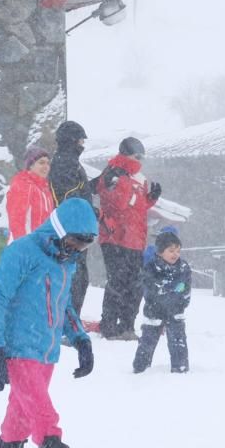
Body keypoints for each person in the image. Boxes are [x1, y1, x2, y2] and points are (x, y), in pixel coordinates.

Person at [0, 198, 106, 448]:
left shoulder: (66, 263)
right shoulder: (22, 253)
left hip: (47, 355)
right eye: (74, 241)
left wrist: (80, 338)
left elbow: (62, 306)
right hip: (19, 352)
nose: (77, 249)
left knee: (17, 424)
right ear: (58, 230)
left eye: (84, 244)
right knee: (46, 422)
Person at [96, 136, 161, 340]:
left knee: (135, 285)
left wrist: (150, 199)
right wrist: (123, 182)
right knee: (118, 282)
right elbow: (118, 205)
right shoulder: (111, 174)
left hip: (135, 238)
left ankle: (127, 326)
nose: (139, 160)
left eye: (141, 156)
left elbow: (136, 209)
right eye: (136, 156)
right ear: (125, 154)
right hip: (115, 237)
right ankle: (109, 325)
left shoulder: (139, 178)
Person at [47, 121, 92, 314]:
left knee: (78, 277)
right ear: (71, 140)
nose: (82, 144)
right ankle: (66, 321)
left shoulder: (69, 161)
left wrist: (97, 185)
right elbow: (67, 196)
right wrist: (87, 210)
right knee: (74, 278)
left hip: (75, 228)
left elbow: (78, 191)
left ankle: (68, 319)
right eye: (81, 140)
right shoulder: (65, 162)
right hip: (70, 230)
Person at [133, 229, 191, 374]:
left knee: (178, 341)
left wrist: (182, 301)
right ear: (160, 252)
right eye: (171, 251)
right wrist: (164, 290)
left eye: (178, 251)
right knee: (147, 341)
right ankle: (140, 366)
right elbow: (150, 287)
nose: (175, 254)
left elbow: (186, 289)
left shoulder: (183, 268)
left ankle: (180, 367)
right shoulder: (152, 268)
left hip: (175, 310)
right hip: (154, 310)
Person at [7, 145, 55, 240]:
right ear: (31, 166)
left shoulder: (44, 189)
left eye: (47, 163)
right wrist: (25, 247)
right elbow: (17, 220)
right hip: (25, 247)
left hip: (41, 245)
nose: (46, 167)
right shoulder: (24, 185)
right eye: (41, 163)